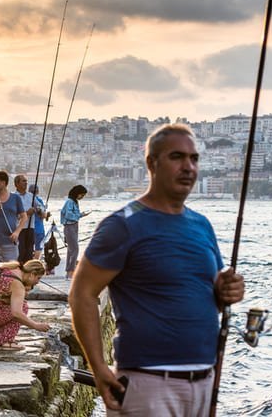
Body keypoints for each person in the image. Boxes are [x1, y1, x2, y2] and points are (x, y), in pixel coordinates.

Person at [69, 124, 245, 415]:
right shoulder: (122, 224)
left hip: (204, 380)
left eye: (194, 159)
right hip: (146, 384)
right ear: (151, 163)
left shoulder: (202, 225)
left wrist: (228, 290)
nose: (188, 167)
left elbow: (209, 294)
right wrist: (98, 367)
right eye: (177, 157)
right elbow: (81, 293)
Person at [60, 184, 90, 279]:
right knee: (75, 249)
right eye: (82, 195)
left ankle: (68, 272)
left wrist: (81, 215)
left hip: (74, 226)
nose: (82, 197)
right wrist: (79, 216)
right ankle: (70, 272)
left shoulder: (74, 202)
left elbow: (72, 214)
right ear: (77, 193)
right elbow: (68, 215)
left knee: (71, 249)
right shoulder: (69, 202)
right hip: (69, 226)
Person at [13, 174, 39, 265]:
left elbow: (39, 207)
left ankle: (27, 270)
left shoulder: (31, 196)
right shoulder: (13, 197)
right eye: (23, 181)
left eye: (26, 181)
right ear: (17, 184)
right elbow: (13, 215)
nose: (26, 183)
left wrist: (37, 210)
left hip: (30, 227)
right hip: (19, 229)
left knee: (29, 252)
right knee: (20, 252)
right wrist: (27, 213)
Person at [28, 184, 49, 261]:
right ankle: (36, 263)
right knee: (38, 248)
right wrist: (46, 214)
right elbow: (43, 215)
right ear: (38, 191)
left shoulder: (26, 200)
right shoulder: (39, 200)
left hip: (28, 228)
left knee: (29, 248)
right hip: (39, 229)